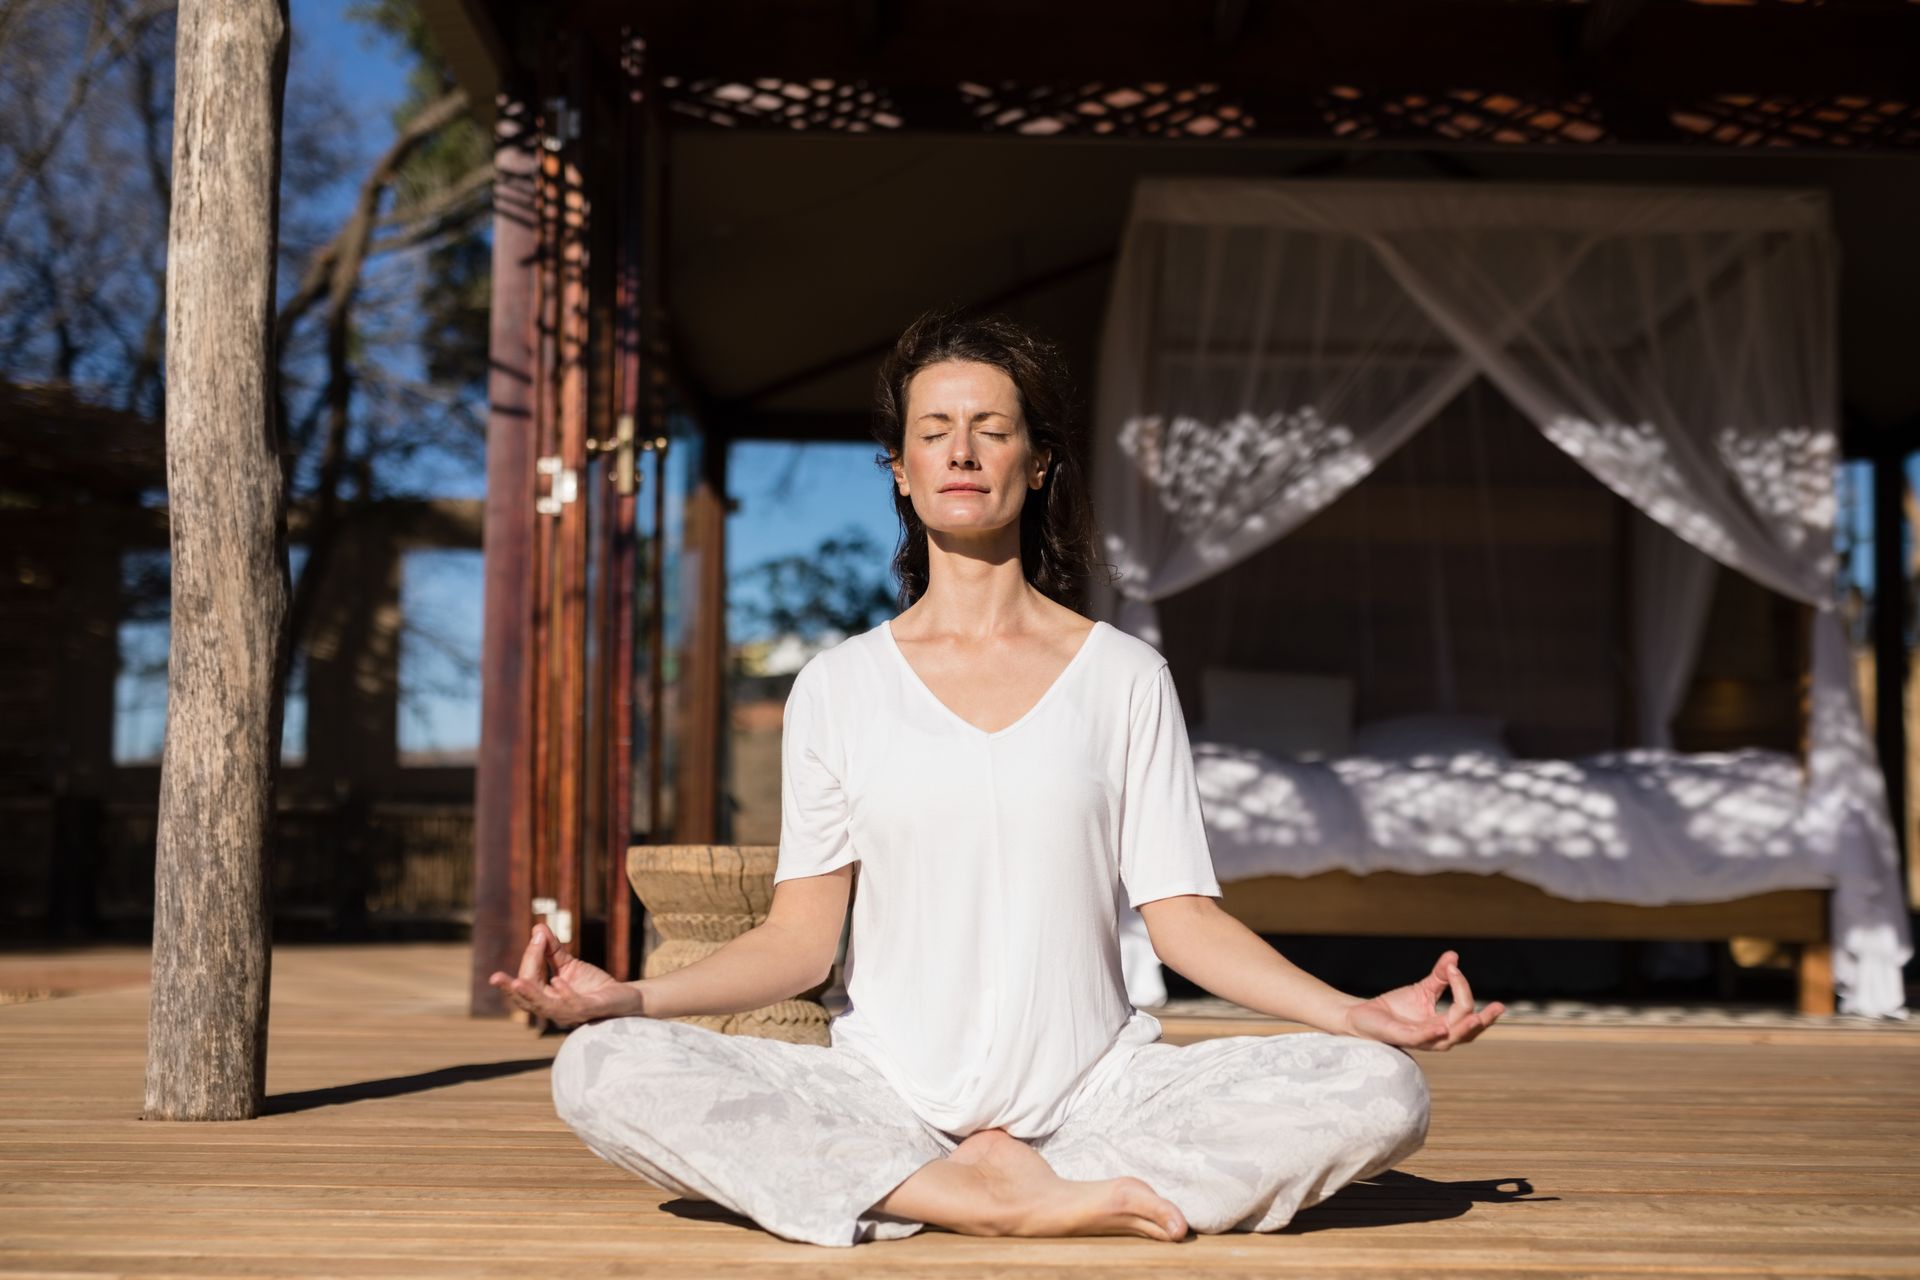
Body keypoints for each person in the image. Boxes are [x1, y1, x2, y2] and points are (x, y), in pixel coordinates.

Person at [491, 308, 1505, 1248]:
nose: (963, 452)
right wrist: (631, 994)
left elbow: (1185, 922)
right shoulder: (839, 687)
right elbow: (799, 943)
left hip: (1098, 1101)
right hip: (885, 1095)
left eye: (991, 428)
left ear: (1039, 460)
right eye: (934, 431)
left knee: (1382, 1088)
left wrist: (1356, 1012)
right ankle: (981, 1194)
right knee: (601, 1063)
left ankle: (963, 1185)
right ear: (900, 470)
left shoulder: (1125, 677)